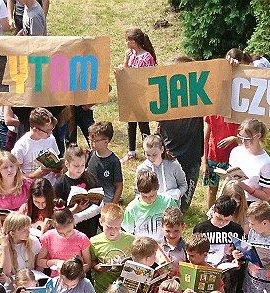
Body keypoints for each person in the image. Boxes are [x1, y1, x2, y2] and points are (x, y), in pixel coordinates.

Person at [156, 58, 204, 210]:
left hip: (191, 159)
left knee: (183, 206)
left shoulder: (199, 98)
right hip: (169, 157)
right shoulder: (164, 97)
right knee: (165, 202)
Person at [121, 28, 157, 162]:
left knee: (143, 124)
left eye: (128, 40)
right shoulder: (130, 54)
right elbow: (126, 71)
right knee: (131, 123)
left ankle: (147, 150)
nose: (126, 43)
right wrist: (125, 60)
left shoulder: (147, 57)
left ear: (134, 42)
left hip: (142, 95)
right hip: (131, 93)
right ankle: (131, 151)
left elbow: (150, 75)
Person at [89, 204, 135, 293]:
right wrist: (96, 267)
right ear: (101, 222)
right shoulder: (94, 241)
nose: (113, 231)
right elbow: (92, 261)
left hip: (125, 292)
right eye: (109, 227)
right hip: (103, 291)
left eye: (117, 227)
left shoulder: (130, 240)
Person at [55, 145, 102, 237]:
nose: (80, 168)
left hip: (91, 222)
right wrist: (76, 209)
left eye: (83, 165)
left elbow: (99, 198)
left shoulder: (89, 177)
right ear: (67, 164)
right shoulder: (60, 184)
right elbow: (58, 213)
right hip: (72, 226)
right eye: (76, 166)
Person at [121, 170, 179, 244]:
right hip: (143, 246)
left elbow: (177, 224)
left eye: (152, 195)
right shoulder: (132, 209)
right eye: (144, 196)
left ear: (157, 188)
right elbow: (128, 233)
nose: (149, 199)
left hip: (165, 244)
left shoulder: (168, 202)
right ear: (139, 192)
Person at [228, 118, 270, 204]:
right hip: (232, 199)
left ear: (258, 136)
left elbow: (266, 196)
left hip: (251, 204)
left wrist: (244, 187)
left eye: (247, 139)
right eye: (241, 137)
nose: (243, 141)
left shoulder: (267, 163)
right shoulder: (236, 151)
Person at [202, 108, 240, 210]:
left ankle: (229, 215)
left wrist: (234, 139)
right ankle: (211, 216)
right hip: (213, 157)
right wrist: (205, 162)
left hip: (232, 159)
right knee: (212, 190)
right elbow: (205, 138)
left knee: (232, 190)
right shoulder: (212, 113)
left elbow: (245, 138)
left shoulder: (239, 112)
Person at [136, 134, 187, 207]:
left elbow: (183, 185)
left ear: (162, 150)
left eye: (154, 154)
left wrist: (177, 193)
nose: (151, 158)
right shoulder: (142, 169)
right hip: (151, 207)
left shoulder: (173, 165)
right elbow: (138, 192)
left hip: (171, 207)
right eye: (148, 155)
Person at [11, 107, 60, 180]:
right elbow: (15, 176)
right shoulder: (21, 147)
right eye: (47, 131)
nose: (50, 133)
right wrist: (34, 175)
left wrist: (58, 170)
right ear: (35, 130)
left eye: (52, 130)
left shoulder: (51, 139)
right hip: (31, 186)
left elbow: (56, 162)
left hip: (51, 184)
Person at [39, 208, 92, 275]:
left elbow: (88, 264)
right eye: (60, 233)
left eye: (69, 231)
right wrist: (54, 262)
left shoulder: (82, 238)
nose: (66, 236)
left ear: (73, 222)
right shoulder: (48, 237)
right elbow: (39, 261)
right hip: (56, 279)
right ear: (54, 226)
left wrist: (76, 272)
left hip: (76, 280)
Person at [0, 212, 42, 282]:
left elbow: (39, 266)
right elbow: (6, 271)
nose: (28, 232)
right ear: (12, 233)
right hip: (11, 283)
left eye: (29, 228)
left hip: (31, 281)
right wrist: (5, 245)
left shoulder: (34, 241)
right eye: (24, 230)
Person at [87, 121, 124, 204]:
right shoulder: (90, 155)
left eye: (94, 141)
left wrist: (113, 204)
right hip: (91, 200)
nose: (91, 143)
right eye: (90, 140)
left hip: (106, 201)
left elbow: (119, 186)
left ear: (106, 142)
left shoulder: (113, 161)